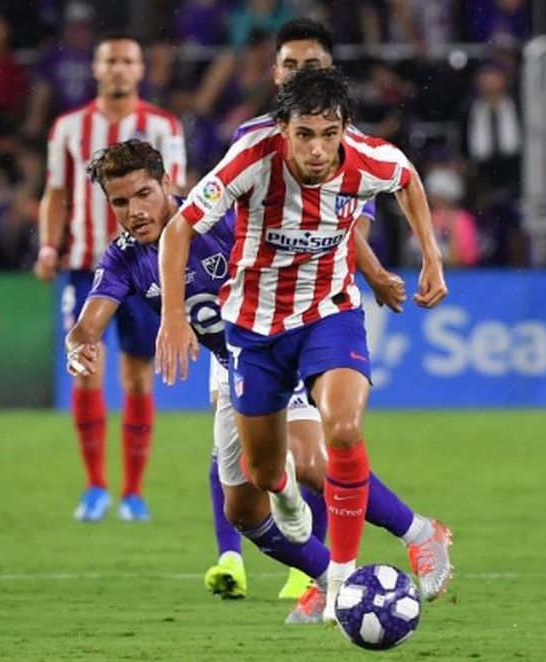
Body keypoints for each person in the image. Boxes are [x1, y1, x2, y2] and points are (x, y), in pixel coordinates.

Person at [68, 139, 443, 624]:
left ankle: (419, 532)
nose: (134, 211)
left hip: (284, 336)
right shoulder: (123, 258)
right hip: (233, 363)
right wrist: (80, 344)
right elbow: (89, 322)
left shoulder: (220, 215)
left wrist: (370, 271)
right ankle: (334, 579)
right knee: (243, 511)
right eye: (120, 202)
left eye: (143, 194)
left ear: (167, 184)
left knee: (312, 464)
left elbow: (316, 226)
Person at [156, 67, 451, 624]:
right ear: (283, 129)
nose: (318, 150)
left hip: (329, 315)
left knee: (342, 428)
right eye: (305, 135)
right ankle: (295, 506)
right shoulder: (250, 158)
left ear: (344, 130)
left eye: (329, 134)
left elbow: (407, 179)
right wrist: (173, 316)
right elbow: (179, 230)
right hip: (254, 330)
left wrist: (430, 256)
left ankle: (341, 574)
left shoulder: (369, 159)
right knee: (268, 475)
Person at [211, 17, 401, 602]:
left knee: (323, 438)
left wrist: (371, 272)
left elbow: (349, 226)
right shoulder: (249, 140)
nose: (299, 73)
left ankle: (322, 570)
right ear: (274, 74)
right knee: (239, 444)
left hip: (318, 308)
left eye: (311, 66)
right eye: (290, 65)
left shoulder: (347, 145)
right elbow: (217, 215)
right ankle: (255, 547)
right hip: (248, 308)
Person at [33, 32, 187, 523]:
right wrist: (47, 245)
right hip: (83, 264)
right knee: (87, 368)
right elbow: (55, 193)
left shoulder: (163, 127)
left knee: (138, 378)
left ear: (140, 70)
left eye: (128, 61)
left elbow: (174, 194)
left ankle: (133, 492)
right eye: (110, 61)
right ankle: (96, 485)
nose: (119, 68)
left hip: (145, 266)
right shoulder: (68, 128)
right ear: (96, 69)